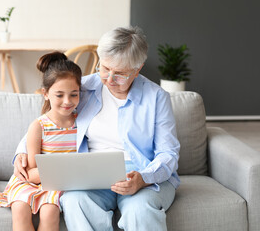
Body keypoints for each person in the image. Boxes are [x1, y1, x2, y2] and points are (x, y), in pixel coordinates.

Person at [14, 26, 180, 231]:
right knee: (75, 201)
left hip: (142, 173)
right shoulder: (81, 88)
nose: (109, 80)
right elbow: (48, 121)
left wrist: (143, 179)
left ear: (137, 69)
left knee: (140, 210)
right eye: (105, 68)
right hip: (92, 174)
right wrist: (22, 153)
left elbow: (169, 154)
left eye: (119, 74)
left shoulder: (156, 98)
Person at [0, 51, 82, 231]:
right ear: (46, 94)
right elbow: (31, 172)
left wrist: (64, 173)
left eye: (74, 94)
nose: (67, 101)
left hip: (57, 184)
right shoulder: (39, 126)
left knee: (49, 212)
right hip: (32, 181)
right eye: (59, 95)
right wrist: (65, 169)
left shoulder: (82, 123)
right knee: (20, 208)